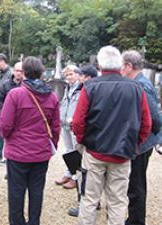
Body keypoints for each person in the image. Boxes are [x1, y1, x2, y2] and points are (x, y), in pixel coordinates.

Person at [72, 45, 152, 225]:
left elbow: (78, 121)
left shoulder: (90, 86)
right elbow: (146, 123)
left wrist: (83, 141)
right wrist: (135, 143)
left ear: (100, 65)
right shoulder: (136, 88)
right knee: (117, 201)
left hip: (94, 150)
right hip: (122, 152)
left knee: (89, 199)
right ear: (119, 64)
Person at [0, 56, 60, 225]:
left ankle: (17, 222)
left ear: (24, 73)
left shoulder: (15, 94)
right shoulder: (52, 97)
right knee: (36, 191)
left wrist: (10, 140)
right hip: (40, 152)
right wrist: (51, 146)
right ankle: (34, 222)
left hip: (18, 153)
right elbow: (55, 127)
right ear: (41, 73)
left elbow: (5, 125)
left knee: (16, 192)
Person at [121, 50, 161, 225]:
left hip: (142, 143)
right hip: (139, 141)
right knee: (134, 183)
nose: (120, 70)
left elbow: (155, 117)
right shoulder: (137, 83)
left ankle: (136, 221)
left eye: (121, 66)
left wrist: (155, 137)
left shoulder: (141, 85)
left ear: (129, 66)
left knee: (136, 185)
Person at [67, 64, 98, 217]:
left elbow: (80, 119)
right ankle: (95, 202)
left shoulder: (88, 90)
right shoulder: (98, 89)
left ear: (88, 77)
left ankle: (84, 206)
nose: (79, 78)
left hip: (87, 139)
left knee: (83, 172)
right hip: (98, 139)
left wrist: (79, 138)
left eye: (81, 75)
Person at [55, 65, 82, 189]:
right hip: (65, 123)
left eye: (71, 74)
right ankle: (69, 173)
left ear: (77, 74)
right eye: (67, 75)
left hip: (74, 124)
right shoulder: (68, 88)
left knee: (76, 151)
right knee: (68, 150)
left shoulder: (81, 88)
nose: (69, 77)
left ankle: (76, 178)